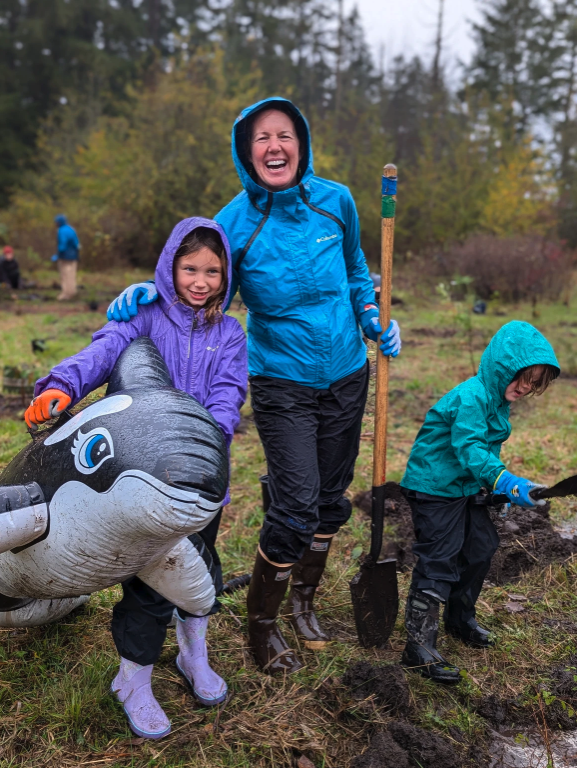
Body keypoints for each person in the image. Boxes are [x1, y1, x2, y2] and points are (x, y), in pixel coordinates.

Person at [106, 97, 402, 675]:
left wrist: (371, 315)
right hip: (279, 379)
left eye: (285, 135)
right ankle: (260, 628)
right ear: (247, 150)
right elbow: (200, 282)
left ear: (302, 143)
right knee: (294, 504)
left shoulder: (336, 201)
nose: (274, 146)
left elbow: (355, 271)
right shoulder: (234, 223)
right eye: (262, 137)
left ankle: (304, 602)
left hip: (347, 370)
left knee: (328, 500)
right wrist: (150, 294)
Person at [25, 217, 247, 739]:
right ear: (170, 266)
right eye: (189, 268)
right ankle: (134, 679)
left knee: (203, 573)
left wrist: (204, 443)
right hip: (143, 486)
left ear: (226, 276)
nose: (200, 280)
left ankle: (194, 655)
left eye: (213, 271)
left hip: (199, 484)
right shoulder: (144, 317)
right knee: (150, 588)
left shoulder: (231, 333)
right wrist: (62, 384)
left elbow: (228, 394)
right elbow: (103, 351)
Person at [400, 321, 559, 684]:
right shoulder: (471, 397)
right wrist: (502, 478)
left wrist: (495, 490)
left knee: (481, 547)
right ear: (502, 367)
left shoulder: (498, 402)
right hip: (434, 486)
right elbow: (470, 448)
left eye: (534, 384)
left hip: (463, 487)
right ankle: (418, 647)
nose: (524, 387)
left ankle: (459, 618)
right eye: (521, 377)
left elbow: (482, 454)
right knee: (441, 556)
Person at [53, 214, 80, 301]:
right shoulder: (71, 229)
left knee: (65, 275)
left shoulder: (61, 230)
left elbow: (62, 245)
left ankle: (66, 294)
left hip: (65, 257)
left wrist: (58, 255)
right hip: (74, 256)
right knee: (72, 274)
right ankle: (72, 292)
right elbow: (77, 244)